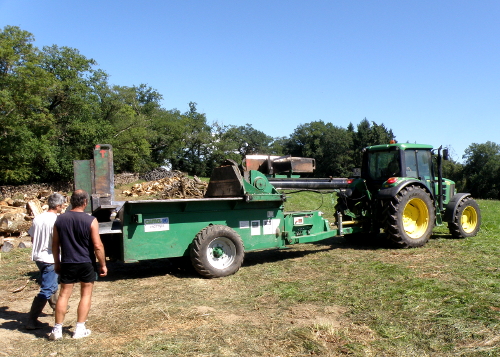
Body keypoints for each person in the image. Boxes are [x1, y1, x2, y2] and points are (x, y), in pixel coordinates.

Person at [49, 189, 107, 340]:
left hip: (67, 261)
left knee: (63, 294)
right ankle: (79, 329)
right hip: (85, 262)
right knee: (86, 294)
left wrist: (57, 263)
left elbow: (55, 245)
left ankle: (57, 330)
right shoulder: (91, 220)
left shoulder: (59, 220)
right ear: (85, 202)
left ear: (70, 202)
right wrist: (103, 264)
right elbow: (98, 246)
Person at [26, 193, 66, 330]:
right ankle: (32, 320)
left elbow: (32, 238)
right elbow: (58, 241)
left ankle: (57, 307)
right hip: (50, 257)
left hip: (38, 257)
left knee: (50, 283)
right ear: (58, 205)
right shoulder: (57, 220)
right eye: (62, 205)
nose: (63, 207)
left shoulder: (38, 218)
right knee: (47, 288)